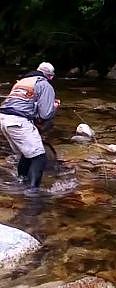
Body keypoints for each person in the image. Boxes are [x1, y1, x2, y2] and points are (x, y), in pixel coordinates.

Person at [0, 62, 60, 193]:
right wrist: (54, 107)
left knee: (27, 154)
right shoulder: (45, 84)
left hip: (3, 119)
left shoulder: (22, 82)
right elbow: (45, 115)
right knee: (39, 157)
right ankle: (33, 193)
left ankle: (21, 181)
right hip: (18, 120)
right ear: (50, 76)